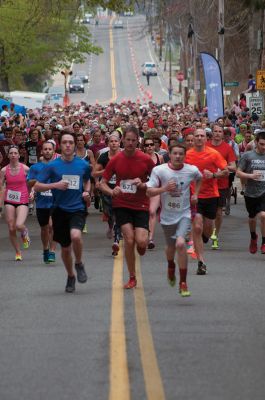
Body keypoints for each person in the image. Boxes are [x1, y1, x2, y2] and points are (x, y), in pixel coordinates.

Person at [34, 131, 91, 293]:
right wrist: (55, 185)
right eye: (65, 142)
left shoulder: (83, 165)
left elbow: (87, 181)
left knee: (76, 236)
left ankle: (79, 263)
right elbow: (37, 186)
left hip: (78, 208)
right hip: (59, 210)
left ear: (75, 145)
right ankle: (71, 276)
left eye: (71, 142)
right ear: (60, 145)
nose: (68, 145)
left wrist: (87, 192)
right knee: (65, 249)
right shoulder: (52, 166)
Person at [100, 126, 155, 289]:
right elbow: (101, 183)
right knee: (129, 239)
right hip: (122, 204)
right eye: (127, 140)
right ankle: (132, 277)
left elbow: (157, 179)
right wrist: (112, 191)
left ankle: (142, 246)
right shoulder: (115, 160)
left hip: (141, 204)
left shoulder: (145, 159)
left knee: (141, 242)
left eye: (133, 140)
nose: (130, 143)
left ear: (138, 141)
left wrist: (144, 183)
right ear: (123, 140)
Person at [147, 144, 202, 297]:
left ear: (185, 156)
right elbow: (149, 191)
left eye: (181, 154)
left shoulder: (191, 170)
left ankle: (183, 282)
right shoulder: (160, 170)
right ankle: (171, 266)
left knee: (180, 243)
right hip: (167, 216)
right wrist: (164, 189)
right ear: (169, 155)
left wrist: (195, 194)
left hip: (184, 214)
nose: (178, 156)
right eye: (175, 154)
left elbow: (200, 178)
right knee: (171, 246)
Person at [185, 128, 228, 275]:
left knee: (207, 229)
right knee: (197, 226)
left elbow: (226, 171)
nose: (198, 138)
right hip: (194, 196)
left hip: (211, 195)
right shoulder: (187, 155)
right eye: (196, 136)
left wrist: (214, 175)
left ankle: (204, 237)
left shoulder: (213, 153)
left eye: (201, 136)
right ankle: (201, 262)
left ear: (205, 138)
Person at [207, 125, 236, 249]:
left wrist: (221, 165)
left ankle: (215, 235)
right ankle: (206, 231)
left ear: (222, 134)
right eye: (215, 131)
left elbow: (233, 167)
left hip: (222, 184)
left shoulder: (227, 148)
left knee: (219, 213)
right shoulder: (206, 146)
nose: (217, 134)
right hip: (207, 183)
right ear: (212, 133)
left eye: (220, 132)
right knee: (207, 214)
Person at [28, 141, 57, 264]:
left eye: (50, 149)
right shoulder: (35, 167)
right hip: (42, 203)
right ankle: (45, 249)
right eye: (45, 149)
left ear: (53, 151)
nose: (47, 151)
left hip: (55, 202)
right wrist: (32, 191)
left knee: (52, 226)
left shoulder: (58, 166)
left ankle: (52, 251)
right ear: (42, 151)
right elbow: (30, 183)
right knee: (44, 228)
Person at [93, 132, 122, 255]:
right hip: (106, 188)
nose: (114, 143)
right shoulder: (103, 157)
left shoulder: (124, 155)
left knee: (118, 214)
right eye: (111, 141)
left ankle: (116, 241)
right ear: (108, 143)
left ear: (119, 143)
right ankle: (111, 227)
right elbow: (94, 173)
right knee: (110, 214)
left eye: (116, 141)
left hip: (120, 189)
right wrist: (107, 171)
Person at [236, 130, 265, 254]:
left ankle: (264, 242)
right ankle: (253, 237)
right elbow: (238, 172)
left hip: (264, 191)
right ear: (256, 143)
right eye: (262, 144)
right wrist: (250, 176)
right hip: (251, 192)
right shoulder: (247, 156)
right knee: (252, 218)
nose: (264, 147)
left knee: (263, 215)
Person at [0, 145, 30, 261]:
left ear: (18, 155)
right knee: (11, 227)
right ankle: (18, 252)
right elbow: (1, 188)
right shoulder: (3, 170)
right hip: (9, 199)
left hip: (22, 198)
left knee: (18, 225)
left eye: (15, 153)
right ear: (8, 155)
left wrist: (32, 192)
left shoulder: (26, 169)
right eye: (11, 153)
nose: (13, 155)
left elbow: (33, 181)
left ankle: (24, 230)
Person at [142, 137, 163, 249]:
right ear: (144, 147)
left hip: (155, 189)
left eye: (151, 144)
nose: (149, 146)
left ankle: (150, 238)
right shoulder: (140, 158)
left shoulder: (159, 157)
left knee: (152, 212)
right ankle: (143, 233)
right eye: (147, 145)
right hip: (143, 189)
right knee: (143, 212)